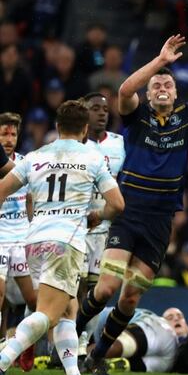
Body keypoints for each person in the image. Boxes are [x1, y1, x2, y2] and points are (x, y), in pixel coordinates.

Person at [77, 34, 188, 375]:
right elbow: (125, 90)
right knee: (105, 288)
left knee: (130, 299)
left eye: (168, 84)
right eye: (157, 84)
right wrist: (160, 62)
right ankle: (69, 336)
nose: (162, 86)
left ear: (176, 94)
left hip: (161, 222)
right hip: (128, 214)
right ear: (149, 94)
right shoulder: (137, 116)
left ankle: (96, 356)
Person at [0, 100, 124, 375]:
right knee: (48, 314)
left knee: (68, 310)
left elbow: (2, 189)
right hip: (66, 243)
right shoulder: (93, 159)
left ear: (57, 128)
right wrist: (97, 216)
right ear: (84, 130)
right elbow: (117, 204)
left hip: (33, 242)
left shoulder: (34, 157)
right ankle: (3, 360)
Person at [77, 93, 125, 355]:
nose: (102, 113)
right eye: (95, 108)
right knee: (75, 287)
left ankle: (83, 342)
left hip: (105, 228)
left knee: (96, 290)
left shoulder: (120, 144)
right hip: (78, 226)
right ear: (84, 113)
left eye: (105, 109)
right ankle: (61, 343)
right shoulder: (76, 145)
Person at [0, 113, 38, 339]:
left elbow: (32, 200)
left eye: (13, 134)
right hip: (0, 240)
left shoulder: (27, 164)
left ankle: (24, 342)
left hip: (23, 239)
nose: (8, 139)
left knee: (34, 300)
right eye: (4, 134)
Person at [85, 307, 184, 373]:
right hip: (165, 364)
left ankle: (77, 360)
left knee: (113, 347)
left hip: (163, 340)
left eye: (180, 317)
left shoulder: (160, 325)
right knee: (133, 364)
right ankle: (120, 364)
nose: (176, 319)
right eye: (170, 317)